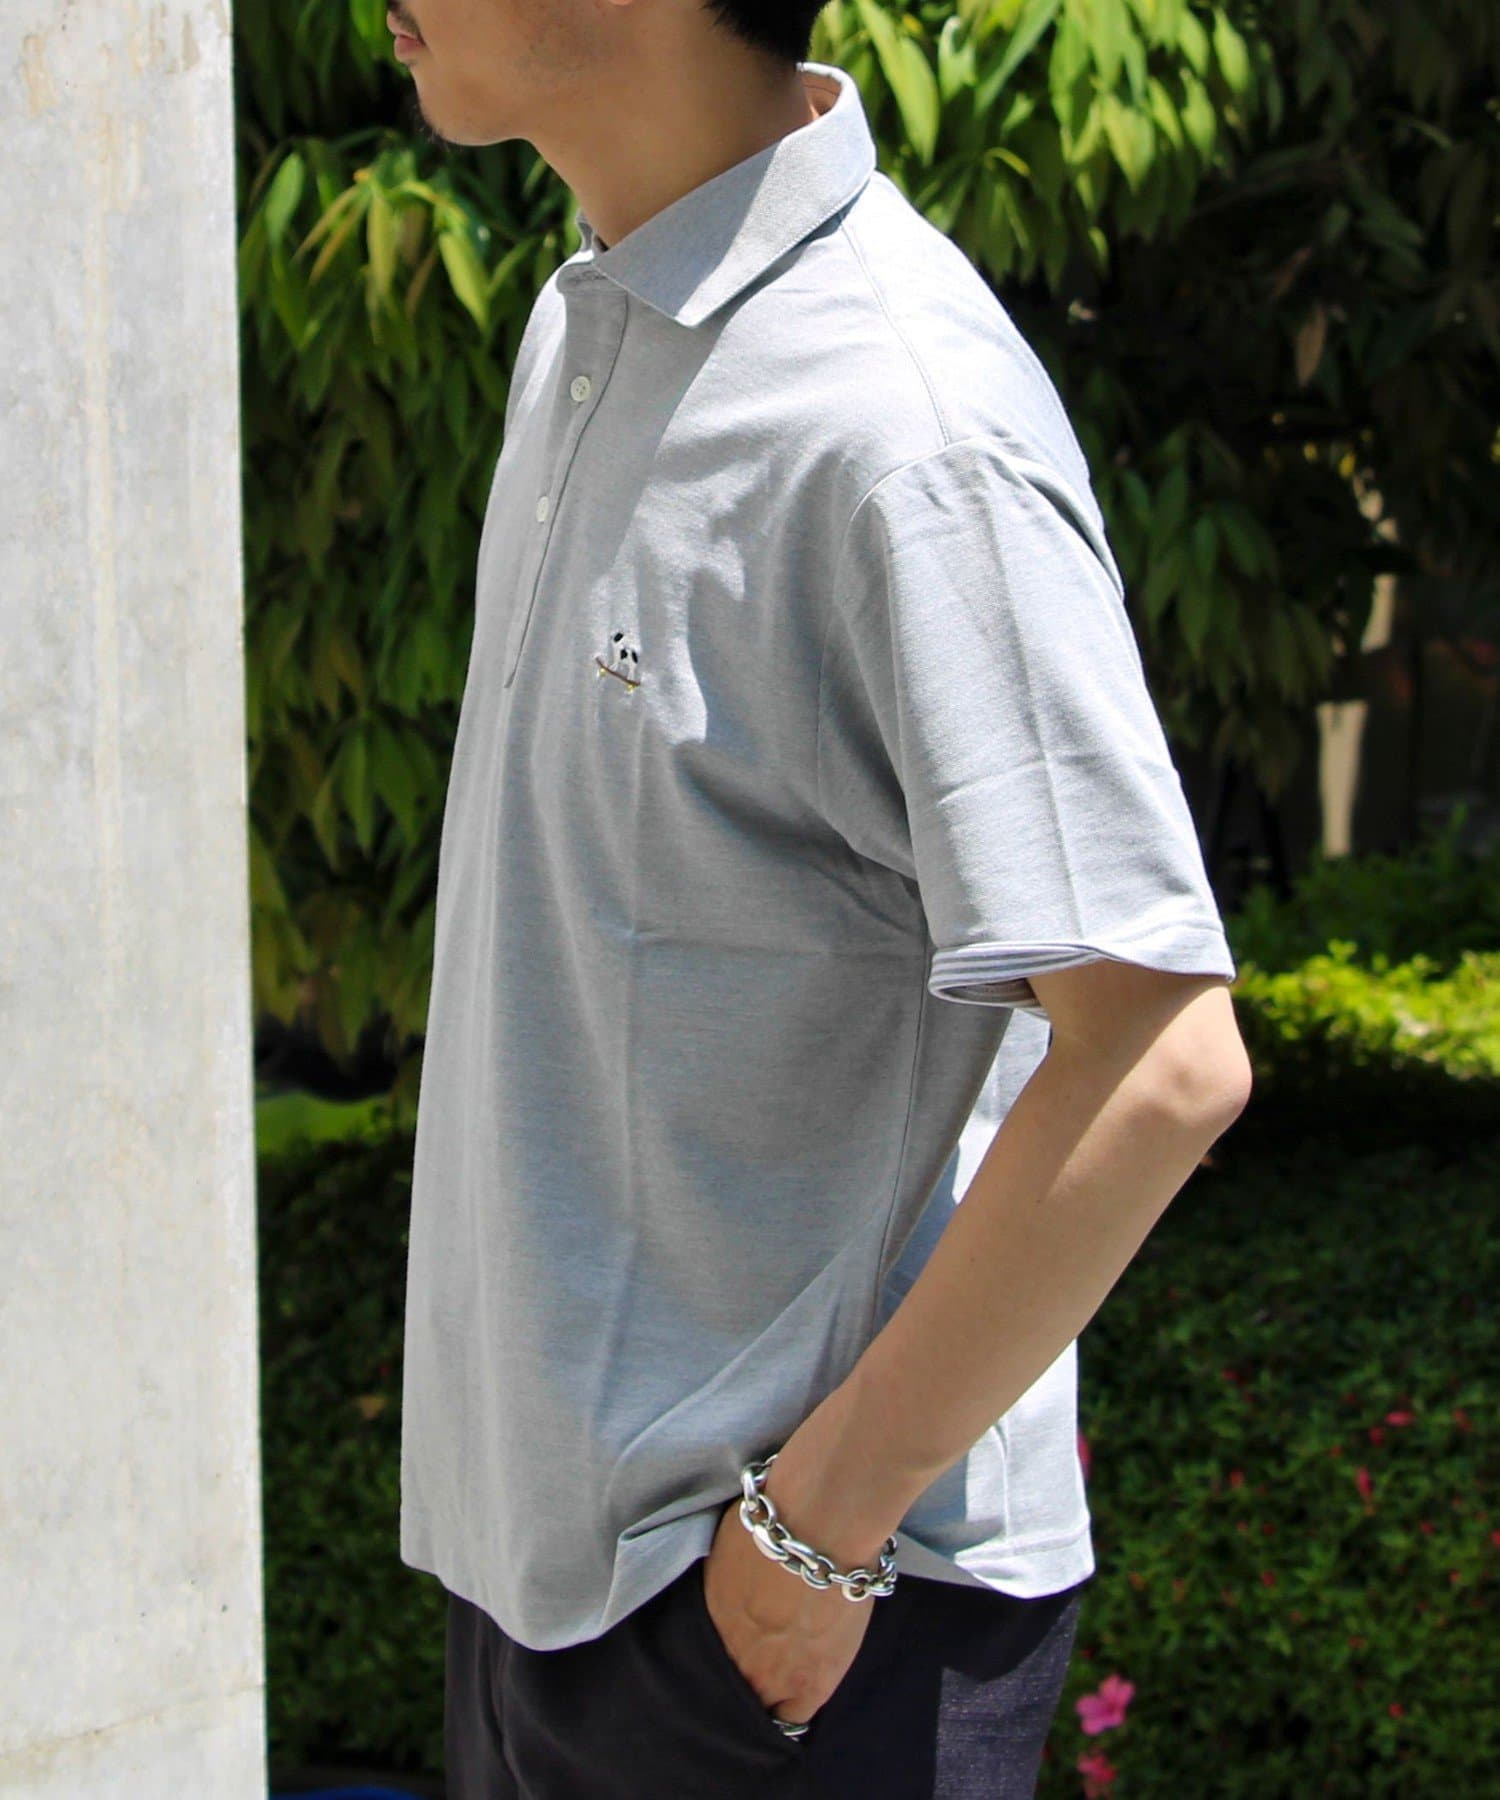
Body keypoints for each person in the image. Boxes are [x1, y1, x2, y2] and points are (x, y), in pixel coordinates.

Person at [389, 3, 1253, 1795]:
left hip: (794, 1627)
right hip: (559, 1581)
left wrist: (809, 1539)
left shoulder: (902, 425)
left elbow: (1160, 1056)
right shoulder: (589, 321)